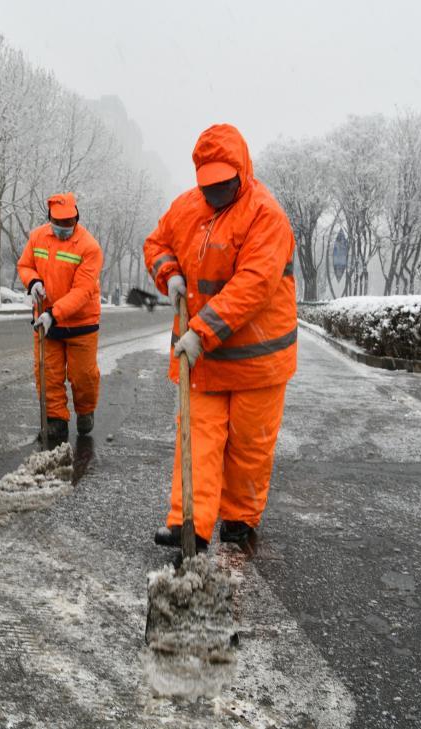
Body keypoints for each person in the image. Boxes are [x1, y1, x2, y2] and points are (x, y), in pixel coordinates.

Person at [142, 123, 298, 552]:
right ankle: (189, 524)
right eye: (207, 184)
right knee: (198, 439)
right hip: (204, 359)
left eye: (223, 184)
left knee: (249, 446)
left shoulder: (266, 215)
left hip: (258, 358)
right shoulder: (185, 208)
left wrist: (201, 331)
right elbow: (155, 244)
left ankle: (239, 517)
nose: (214, 192)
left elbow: (254, 284)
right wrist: (169, 274)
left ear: (241, 172)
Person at [17, 192, 103, 444]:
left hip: (81, 323)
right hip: (46, 320)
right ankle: (55, 421)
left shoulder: (89, 247)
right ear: (50, 219)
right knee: (48, 374)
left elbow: (83, 291)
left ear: (77, 217)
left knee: (83, 376)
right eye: (59, 222)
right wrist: (32, 281)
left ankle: (85, 410)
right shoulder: (37, 237)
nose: (64, 227)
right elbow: (25, 265)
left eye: (69, 222)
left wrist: (54, 314)